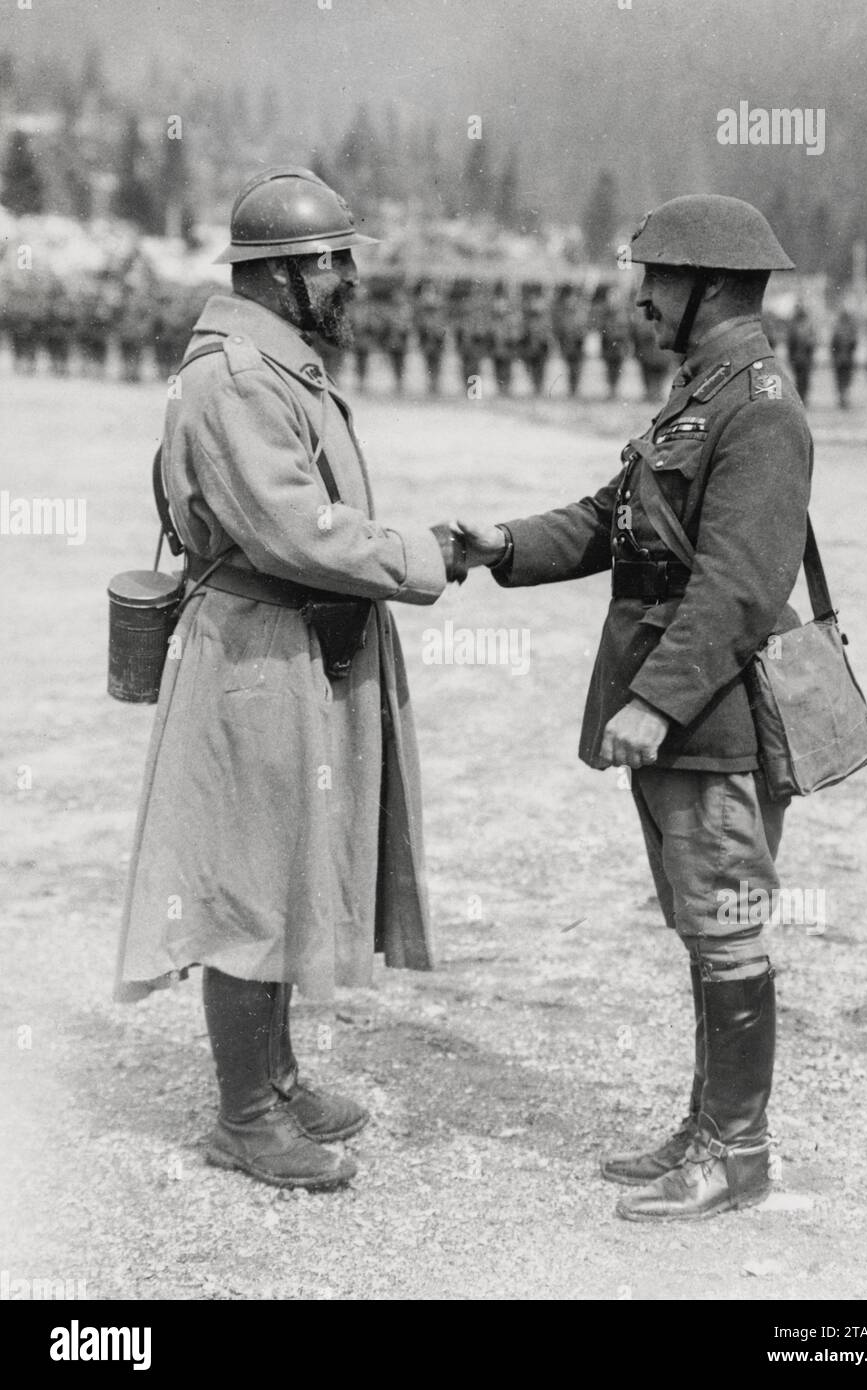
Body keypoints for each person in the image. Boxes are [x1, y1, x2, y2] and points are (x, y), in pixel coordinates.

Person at [457, 194, 811, 1222]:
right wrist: (505, 545)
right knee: (704, 926)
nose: (638, 298)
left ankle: (737, 1151)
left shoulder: (759, 407)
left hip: (711, 715)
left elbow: (741, 581)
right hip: (683, 713)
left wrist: (655, 703)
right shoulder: (699, 395)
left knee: (728, 925)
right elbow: (617, 522)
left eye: (653, 280)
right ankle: (709, 1127)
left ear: (704, 288)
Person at [115, 166, 466, 1192]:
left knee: (283, 863)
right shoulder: (234, 376)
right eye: (336, 263)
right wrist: (421, 553)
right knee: (247, 878)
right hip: (256, 652)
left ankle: (272, 1074)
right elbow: (292, 527)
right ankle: (244, 1113)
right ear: (284, 274)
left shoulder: (275, 364)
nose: (352, 281)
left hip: (287, 646)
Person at [785, 302, 816, 404]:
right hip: (799, 358)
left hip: (803, 358)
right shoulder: (794, 325)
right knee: (800, 379)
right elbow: (790, 343)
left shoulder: (806, 324)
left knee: (803, 379)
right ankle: (801, 397)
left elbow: (812, 342)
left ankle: (803, 397)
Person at [830, 307, 858, 409]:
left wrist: (834, 356)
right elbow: (854, 344)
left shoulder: (837, 329)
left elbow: (832, 345)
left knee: (840, 380)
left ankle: (842, 398)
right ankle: (844, 398)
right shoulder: (851, 330)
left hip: (839, 360)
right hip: (848, 360)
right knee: (846, 380)